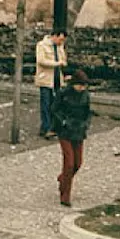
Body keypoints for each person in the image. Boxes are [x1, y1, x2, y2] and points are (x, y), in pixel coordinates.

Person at [50, 69, 93, 207]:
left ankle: (63, 179)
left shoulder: (85, 96)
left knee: (78, 163)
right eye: (80, 85)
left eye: (84, 86)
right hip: (65, 131)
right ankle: (65, 195)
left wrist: (85, 124)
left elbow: (88, 112)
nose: (82, 88)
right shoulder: (63, 94)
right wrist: (62, 122)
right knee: (68, 163)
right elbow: (55, 109)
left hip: (79, 131)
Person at [34, 29, 68, 139]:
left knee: (56, 104)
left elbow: (63, 59)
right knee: (46, 104)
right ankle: (46, 128)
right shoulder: (42, 45)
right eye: (60, 39)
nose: (61, 42)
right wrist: (57, 63)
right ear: (54, 36)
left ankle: (55, 127)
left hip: (57, 79)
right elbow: (41, 61)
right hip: (46, 79)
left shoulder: (60, 47)